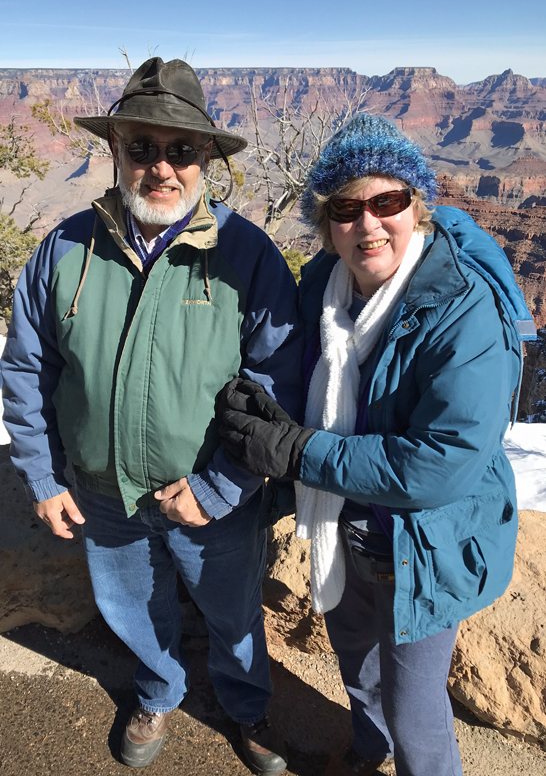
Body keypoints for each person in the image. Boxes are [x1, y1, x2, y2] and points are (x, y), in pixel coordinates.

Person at [0, 57, 301, 776]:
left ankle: (246, 706)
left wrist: (223, 486)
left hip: (215, 499)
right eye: (142, 148)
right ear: (115, 152)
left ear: (204, 161)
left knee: (233, 616)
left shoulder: (247, 256)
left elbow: (279, 383)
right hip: (104, 495)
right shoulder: (65, 249)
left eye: (181, 151)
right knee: (132, 607)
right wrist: (42, 475)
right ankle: (159, 690)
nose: (161, 167)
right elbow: (26, 368)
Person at [216, 113, 536, 776]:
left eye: (387, 202)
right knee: (358, 675)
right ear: (326, 223)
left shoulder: (460, 308)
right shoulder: (320, 291)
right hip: (343, 529)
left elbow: (439, 464)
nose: (369, 224)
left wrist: (297, 451)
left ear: (416, 207)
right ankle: (366, 755)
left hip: (424, 544)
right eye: (347, 208)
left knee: (417, 715)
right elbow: (305, 382)